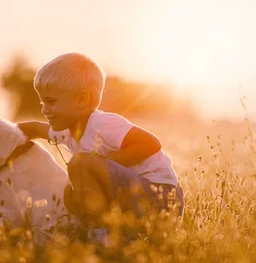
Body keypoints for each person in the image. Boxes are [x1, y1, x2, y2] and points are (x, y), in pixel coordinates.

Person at [16, 52, 184, 245]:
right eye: (42, 102)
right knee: (71, 193)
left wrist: (102, 164)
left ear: (81, 100)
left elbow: (151, 143)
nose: (44, 110)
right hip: (134, 201)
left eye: (51, 101)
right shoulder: (67, 131)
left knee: (80, 163)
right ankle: (114, 236)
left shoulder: (102, 124)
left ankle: (100, 237)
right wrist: (2, 133)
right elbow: (36, 128)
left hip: (162, 199)